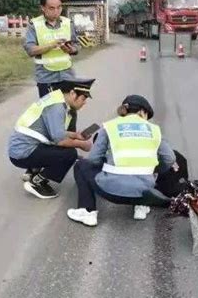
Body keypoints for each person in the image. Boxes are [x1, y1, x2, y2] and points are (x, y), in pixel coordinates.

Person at [67, 95, 176, 227]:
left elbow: (93, 159)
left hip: (111, 192)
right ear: (142, 112)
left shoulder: (109, 126)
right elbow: (169, 159)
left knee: (81, 165)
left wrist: (108, 163)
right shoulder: (154, 129)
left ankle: (87, 211)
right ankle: (140, 206)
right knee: (147, 171)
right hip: (144, 193)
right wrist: (153, 171)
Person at [8, 79, 95, 199]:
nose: (84, 103)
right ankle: (37, 182)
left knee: (62, 149)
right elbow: (60, 140)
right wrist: (82, 144)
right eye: (83, 99)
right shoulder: (57, 107)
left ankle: (34, 169)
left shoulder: (56, 99)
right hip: (23, 153)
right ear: (73, 94)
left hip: (23, 148)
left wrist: (76, 136)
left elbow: (56, 133)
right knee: (69, 154)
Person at [24, 0, 79, 98]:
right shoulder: (34, 25)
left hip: (67, 76)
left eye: (59, 7)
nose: (56, 11)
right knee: (50, 112)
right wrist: (51, 45)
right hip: (46, 79)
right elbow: (30, 50)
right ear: (43, 8)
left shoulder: (68, 23)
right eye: (51, 8)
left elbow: (77, 45)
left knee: (69, 111)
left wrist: (72, 49)